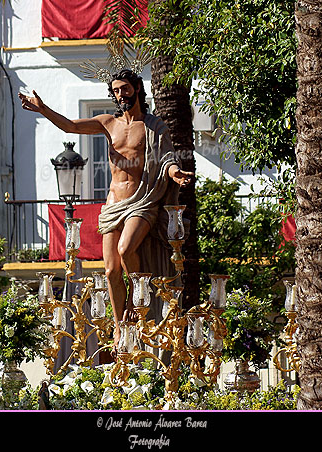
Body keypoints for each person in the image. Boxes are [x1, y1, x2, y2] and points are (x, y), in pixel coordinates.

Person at [20, 69, 194, 353]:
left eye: (125, 88)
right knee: (112, 269)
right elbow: (70, 126)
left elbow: (167, 159)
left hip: (142, 201)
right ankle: (119, 327)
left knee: (126, 250)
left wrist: (175, 174)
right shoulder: (107, 123)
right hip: (113, 203)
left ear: (137, 89)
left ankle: (137, 309)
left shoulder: (153, 126)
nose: (120, 95)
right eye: (115, 90)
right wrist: (43, 109)